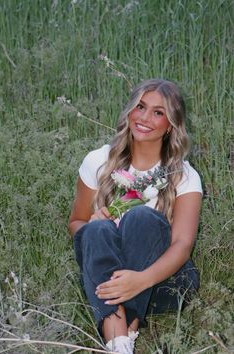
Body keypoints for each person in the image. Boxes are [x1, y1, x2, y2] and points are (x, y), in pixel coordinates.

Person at [68, 79, 202, 354]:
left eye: (158, 112)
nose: (144, 118)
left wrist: (141, 280)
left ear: (171, 125)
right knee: (95, 230)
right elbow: (75, 223)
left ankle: (127, 323)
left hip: (165, 285)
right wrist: (91, 223)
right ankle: (120, 341)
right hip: (109, 277)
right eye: (140, 106)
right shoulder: (98, 161)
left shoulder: (184, 176)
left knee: (141, 218)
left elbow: (183, 245)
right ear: (129, 110)